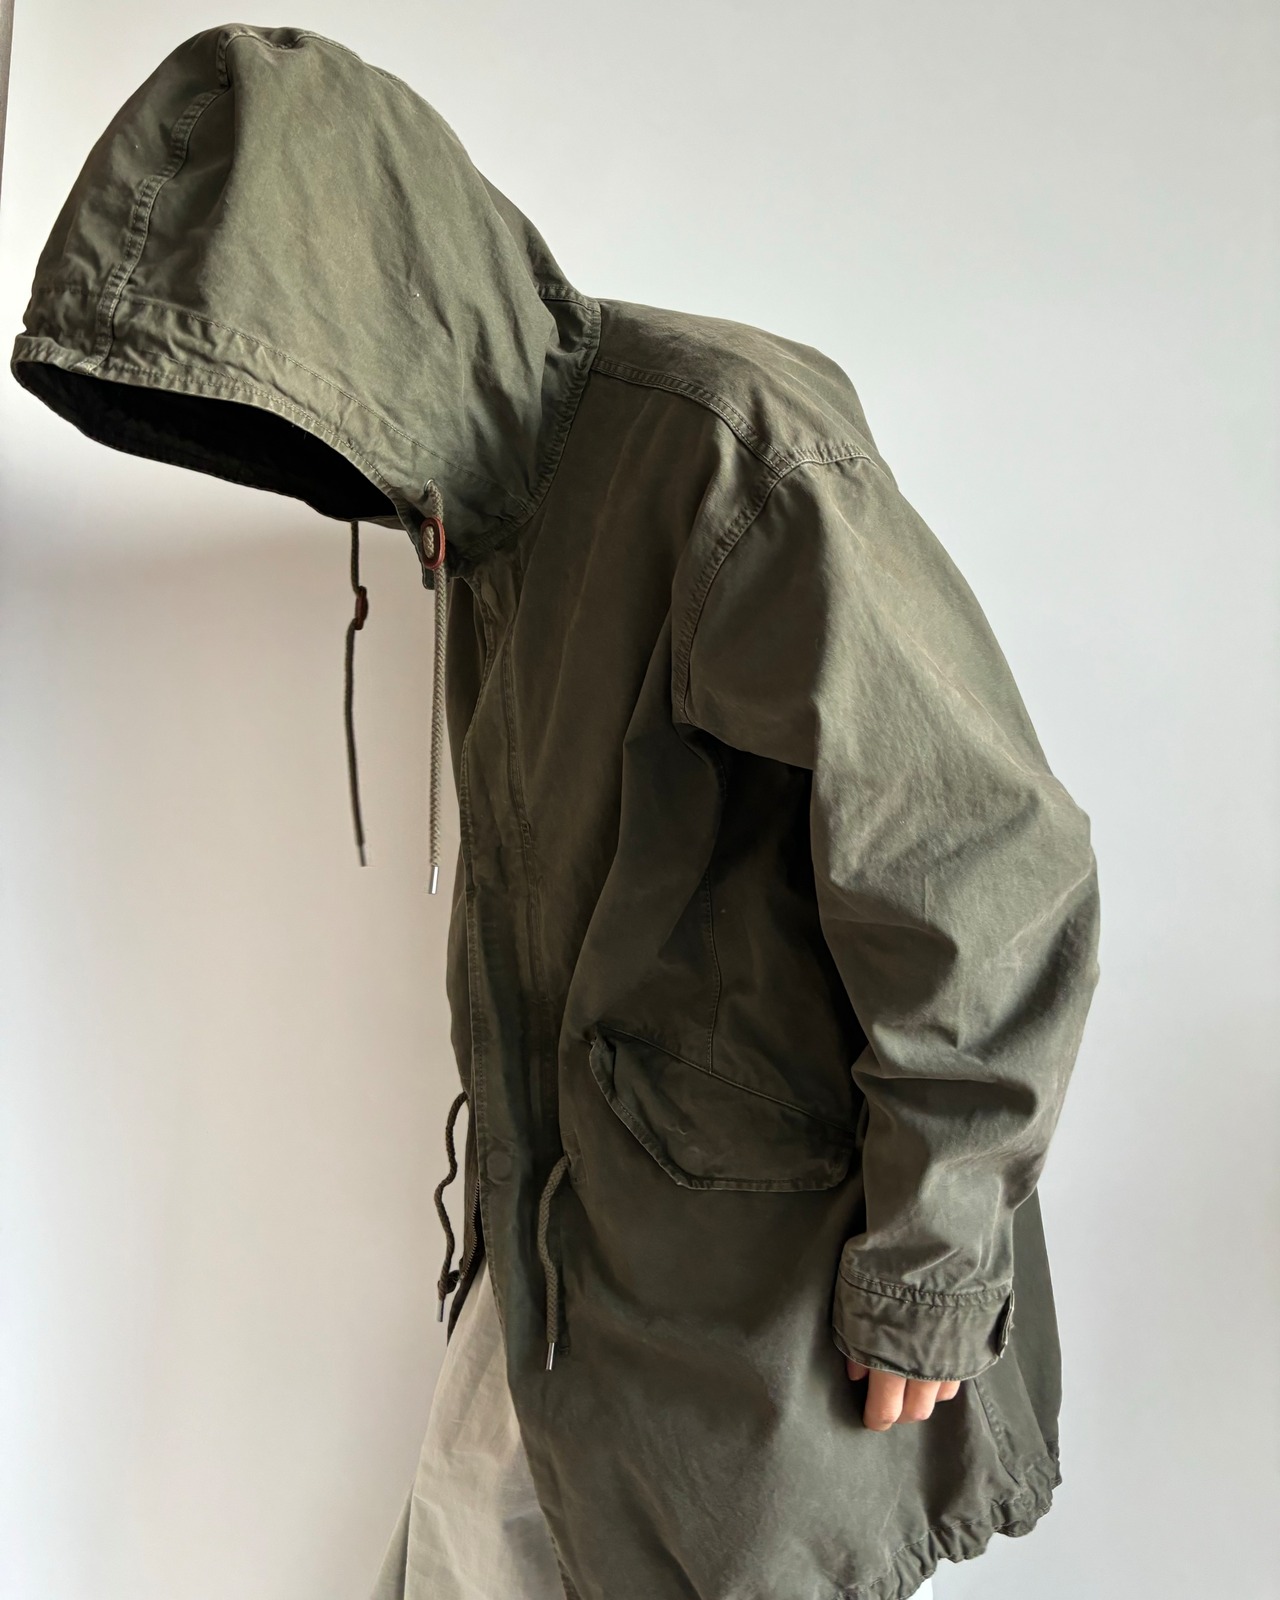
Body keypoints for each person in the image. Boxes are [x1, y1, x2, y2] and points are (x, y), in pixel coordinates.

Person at [11, 24, 1102, 1600]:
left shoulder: (721, 449)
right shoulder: (490, 506)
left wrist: (929, 1273)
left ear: (374, 294)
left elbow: (980, 857)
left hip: (764, 1305)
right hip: (559, 1265)